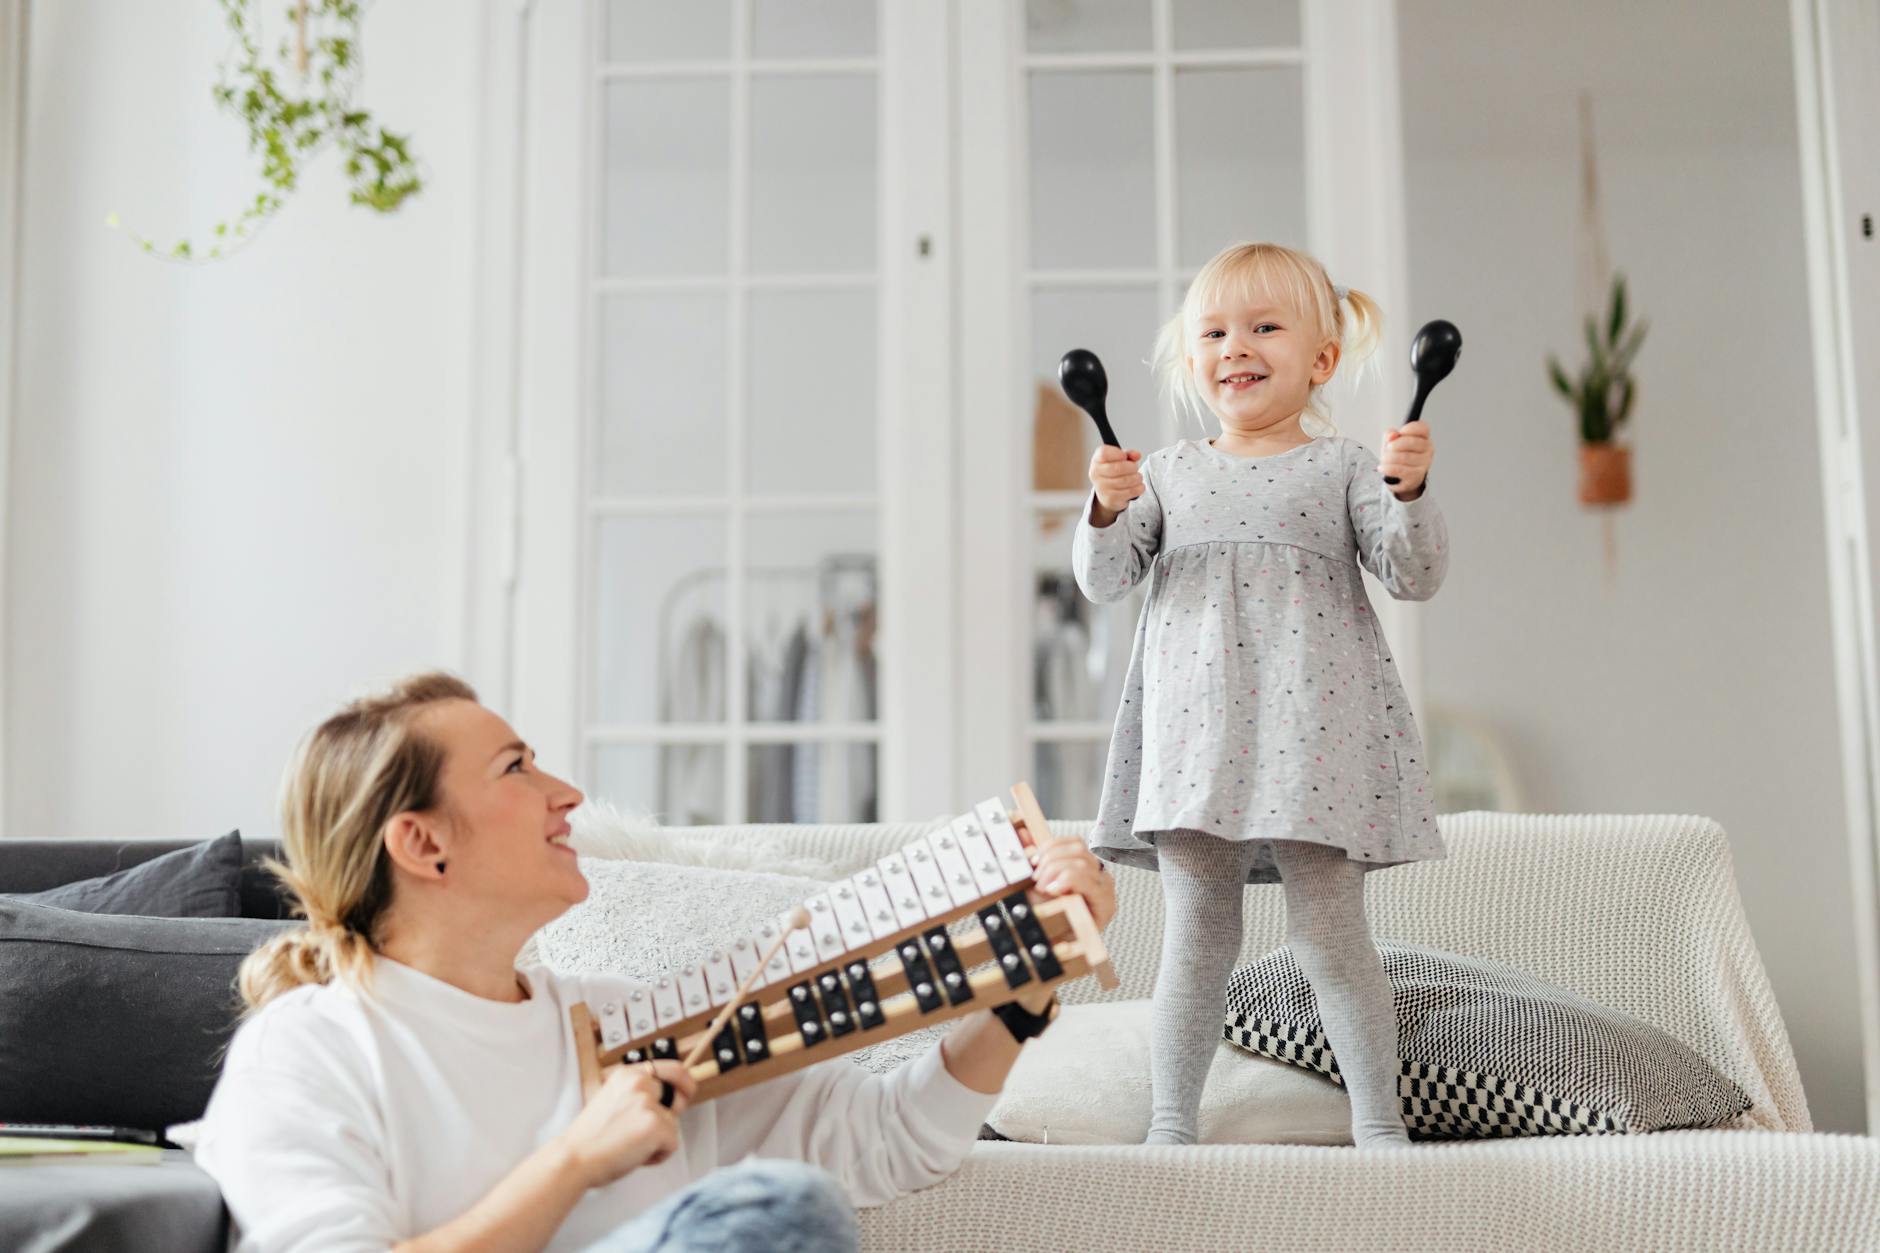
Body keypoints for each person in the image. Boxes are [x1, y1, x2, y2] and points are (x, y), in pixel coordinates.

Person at [195, 672, 1115, 1251]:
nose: (568, 795)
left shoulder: (626, 1026)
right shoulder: (311, 1048)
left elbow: (887, 1141)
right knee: (769, 1211)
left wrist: (1025, 982)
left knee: (783, 1207)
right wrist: (572, 1163)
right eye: (516, 769)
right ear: (423, 844)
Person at [1072, 241, 1449, 1148]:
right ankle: (1172, 1124)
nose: (1235, 345)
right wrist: (1104, 508)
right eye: (1214, 330)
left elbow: (1415, 572)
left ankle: (1380, 1125)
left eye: (1265, 327)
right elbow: (1105, 578)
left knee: (1332, 937)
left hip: (1313, 740)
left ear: (1321, 360)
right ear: (1192, 356)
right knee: (1197, 940)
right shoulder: (1164, 470)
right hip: (1195, 745)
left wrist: (1412, 491)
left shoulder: (1348, 467)